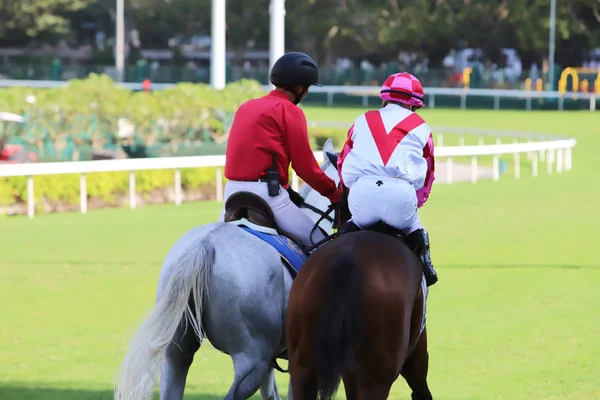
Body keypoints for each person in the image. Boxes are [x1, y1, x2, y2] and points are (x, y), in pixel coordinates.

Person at [219, 52, 341, 249]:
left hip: (232, 192)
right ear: (300, 88)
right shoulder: (291, 111)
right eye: (307, 88)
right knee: (322, 247)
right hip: (268, 195)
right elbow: (305, 168)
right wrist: (335, 194)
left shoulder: (246, 106)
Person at [336, 72, 438, 286]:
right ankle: (427, 268)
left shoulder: (362, 119)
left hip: (362, 197)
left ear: (384, 98)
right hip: (399, 201)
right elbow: (428, 174)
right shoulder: (422, 126)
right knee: (415, 228)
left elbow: (342, 162)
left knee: (350, 226)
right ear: (413, 105)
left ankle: (336, 260)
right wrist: (418, 202)